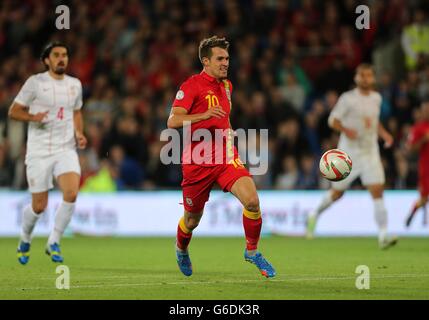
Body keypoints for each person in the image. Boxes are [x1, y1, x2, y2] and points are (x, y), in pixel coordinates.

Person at [167, 36, 275, 278]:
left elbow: (222, 116)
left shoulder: (227, 86)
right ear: (205, 61)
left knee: (252, 201)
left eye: (227, 58)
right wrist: (204, 115)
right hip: (197, 161)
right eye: (220, 59)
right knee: (192, 221)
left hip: (226, 156)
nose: (226, 63)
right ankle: (181, 248)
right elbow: (173, 121)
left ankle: (252, 251)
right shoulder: (190, 86)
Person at [8, 41, 87, 264]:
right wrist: (33, 118)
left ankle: (54, 241)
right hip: (39, 150)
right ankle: (25, 238)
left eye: (65, 55)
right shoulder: (35, 83)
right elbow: (13, 111)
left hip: (65, 148)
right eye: (56, 55)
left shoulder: (75, 85)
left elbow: (77, 111)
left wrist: (79, 133)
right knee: (39, 206)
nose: (61, 58)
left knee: (71, 193)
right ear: (47, 60)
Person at [306, 64, 398, 249]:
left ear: (373, 78)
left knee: (377, 191)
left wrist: (385, 134)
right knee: (337, 193)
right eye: (362, 75)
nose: (365, 79)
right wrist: (346, 130)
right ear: (356, 78)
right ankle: (314, 214)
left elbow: (374, 122)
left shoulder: (376, 98)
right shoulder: (348, 99)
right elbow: (332, 120)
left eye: (369, 76)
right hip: (348, 154)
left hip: (370, 152)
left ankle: (383, 236)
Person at [405, 100, 429, 227]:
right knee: (424, 198)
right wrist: (423, 140)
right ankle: (412, 213)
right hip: (426, 169)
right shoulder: (418, 128)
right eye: (425, 110)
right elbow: (410, 149)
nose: (427, 112)